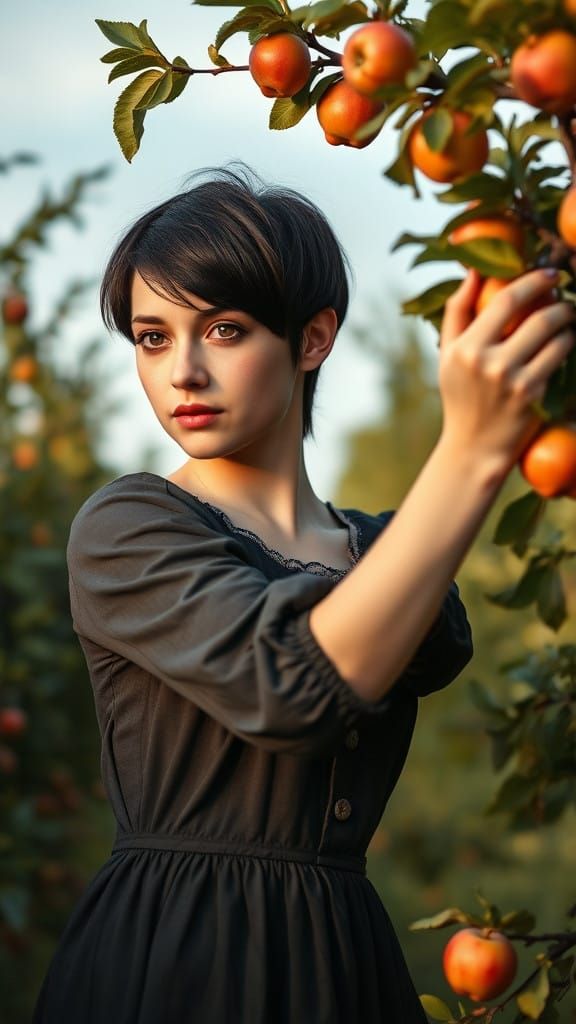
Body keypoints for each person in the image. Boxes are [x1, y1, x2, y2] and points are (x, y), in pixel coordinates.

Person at [32, 162, 575, 1024]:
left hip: (343, 959)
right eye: (152, 337)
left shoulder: (389, 547)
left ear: (313, 339)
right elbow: (292, 684)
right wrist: (471, 448)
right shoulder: (127, 527)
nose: (184, 373)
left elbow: (431, 636)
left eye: (225, 329)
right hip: (172, 956)